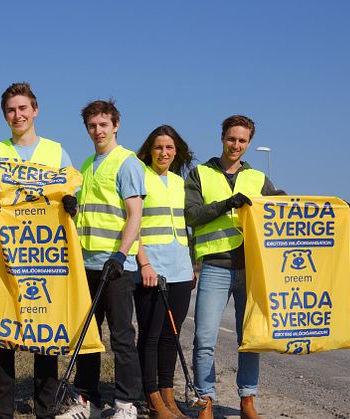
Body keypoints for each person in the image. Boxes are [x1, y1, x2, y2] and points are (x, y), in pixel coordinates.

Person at [0, 82, 76, 419]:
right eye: (11, 110)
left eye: (23, 108)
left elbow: (70, 198)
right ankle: (1, 412)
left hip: (47, 257)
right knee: (5, 338)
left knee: (46, 337)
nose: (17, 115)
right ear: (5, 115)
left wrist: (73, 206)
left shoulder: (57, 152)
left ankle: (44, 411)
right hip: (8, 257)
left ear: (35, 110)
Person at [186, 115, 284, 419]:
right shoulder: (200, 174)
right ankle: (205, 400)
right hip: (215, 267)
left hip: (250, 269)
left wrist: (331, 209)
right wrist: (227, 203)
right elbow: (191, 215)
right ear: (222, 138)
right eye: (231, 139)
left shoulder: (257, 179)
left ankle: (247, 400)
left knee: (250, 338)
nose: (236, 145)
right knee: (204, 338)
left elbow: (284, 206)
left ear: (249, 143)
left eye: (242, 141)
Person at [58, 99, 144, 419]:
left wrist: (121, 255)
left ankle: (125, 405)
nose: (98, 131)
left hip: (116, 265)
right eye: (92, 126)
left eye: (103, 125)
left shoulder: (127, 162)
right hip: (87, 264)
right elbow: (84, 215)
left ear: (116, 125)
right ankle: (88, 402)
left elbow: (135, 214)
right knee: (88, 337)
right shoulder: (86, 166)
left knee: (122, 336)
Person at [134, 125, 194, 419]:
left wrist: (191, 264)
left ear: (177, 151)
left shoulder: (180, 183)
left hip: (181, 267)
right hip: (151, 267)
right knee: (151, 335)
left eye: (169, 148)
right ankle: (152, 398)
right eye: (159, 147)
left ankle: (169, 396)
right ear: (150, 150)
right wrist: (143, 262)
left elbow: (185, 226)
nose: (164, 153)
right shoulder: (140, 176)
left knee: (172, 334)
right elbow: (131, 224)